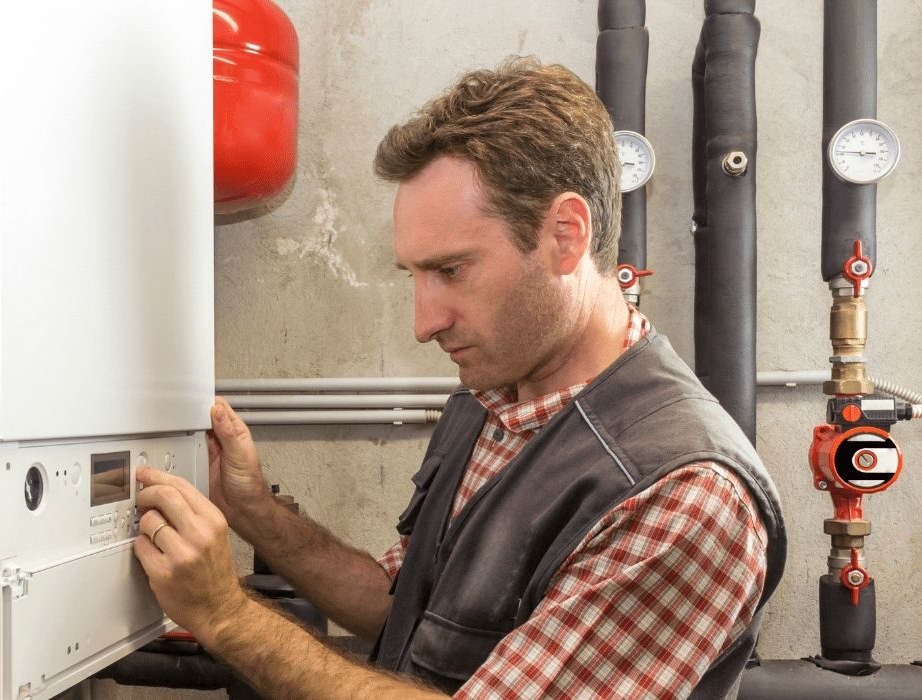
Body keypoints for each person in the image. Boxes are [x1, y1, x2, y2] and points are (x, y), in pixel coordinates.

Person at [131, 56, 786, 699]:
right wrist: (256, 513)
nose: (424, 323)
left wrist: (226, 616)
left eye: (451, 271)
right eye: (414, 275)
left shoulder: (685, 496)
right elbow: (404, 609)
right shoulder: (494, 396)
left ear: (565, 235)